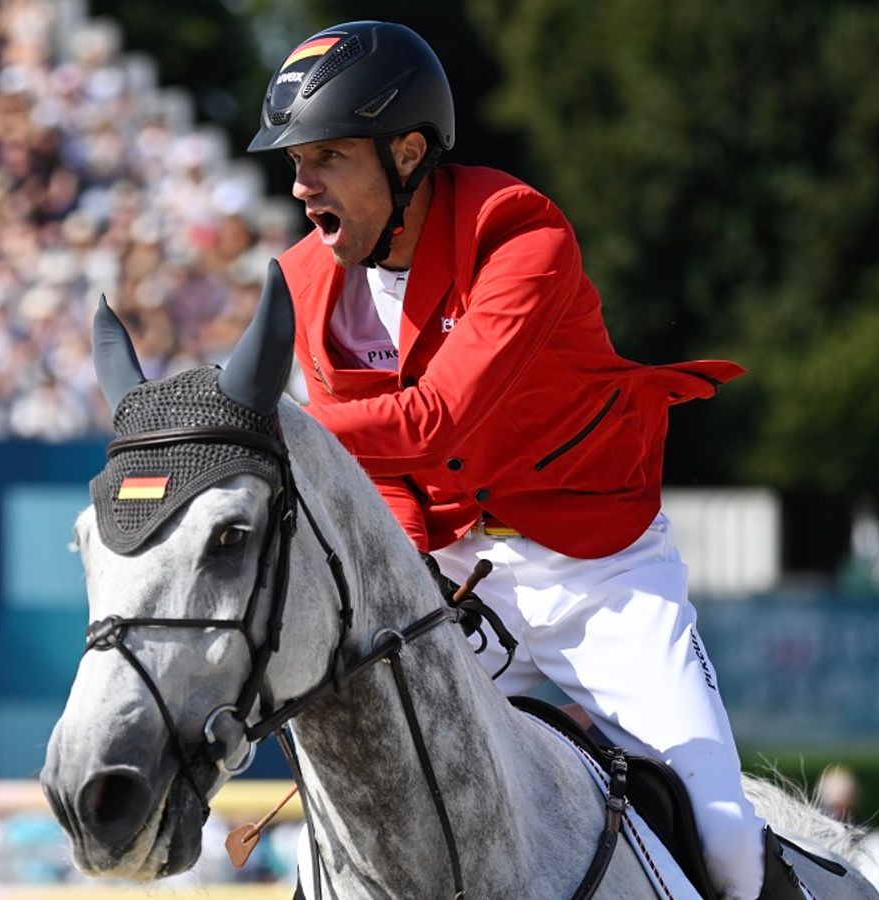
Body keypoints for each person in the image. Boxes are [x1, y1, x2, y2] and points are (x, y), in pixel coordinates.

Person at [247, 21, 784, 900]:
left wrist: (277, 425)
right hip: (449, 585)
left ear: (408, 151)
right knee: (355, 823)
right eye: (296, 163)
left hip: (598, 577)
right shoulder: (305, 278)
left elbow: (439, 422)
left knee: (723, 838)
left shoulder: (521, 238)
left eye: (328, 158)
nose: (303, 188)